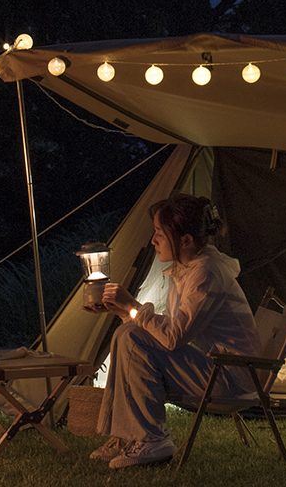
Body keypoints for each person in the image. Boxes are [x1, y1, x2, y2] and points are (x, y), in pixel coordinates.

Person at [90, 193, 260, 469]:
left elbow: (173, 337)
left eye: (159, 233)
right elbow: (169, 332)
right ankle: (129, 436)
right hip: (214, 368)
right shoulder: (187, 269)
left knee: (130, 336)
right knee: (126, 334)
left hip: (230, 377)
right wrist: (122, 311)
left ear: (186, 240)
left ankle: (151, 438)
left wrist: (133, 306)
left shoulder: (207, 273)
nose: (153, 240)